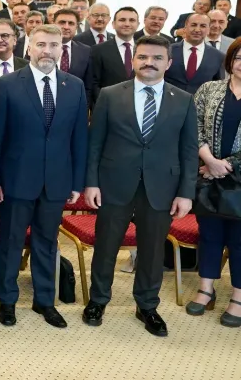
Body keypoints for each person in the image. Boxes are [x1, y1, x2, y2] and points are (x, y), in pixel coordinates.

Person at [82, 35, 198, 337]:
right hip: (114, 183)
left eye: (157, 58)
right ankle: (98, 300)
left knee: (152, 250)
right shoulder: (110, 95)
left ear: (168, 63)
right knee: (106, 246)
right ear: (133, 60)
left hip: (162, 187)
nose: (149, 63)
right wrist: (91, 183)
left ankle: (147, 305)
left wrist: (186, 192)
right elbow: (95, 144)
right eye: (143, 57)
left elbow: (188, 150)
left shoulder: (184, 99)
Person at [0, 24, 88, 328]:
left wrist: (77, 182)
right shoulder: (7, 85)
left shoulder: (75, 86)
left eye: (54, 45)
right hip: (15, 179)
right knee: (10, 241)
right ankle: (7, 300)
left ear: (61, 49)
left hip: (57, 181)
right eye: (41, 44)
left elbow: (79, 138)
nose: (47, 51)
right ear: (29, 48)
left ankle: (45, 300)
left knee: (47, 242)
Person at [188, 40, 241, 327]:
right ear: (230, 60)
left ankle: (238, 297)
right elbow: (193, 126)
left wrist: (226, 165)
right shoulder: (209, 89)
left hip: (237, 177)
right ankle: (206, 289)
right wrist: (209, 160)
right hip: (208, 176)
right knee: (209, 234)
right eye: (238, 57)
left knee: (239, 240)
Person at [89, 6, 140, 105]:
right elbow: (94, 83)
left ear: (138, 24)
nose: (127, 24)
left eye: (132, 20)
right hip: (107, 105)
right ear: (113, 24)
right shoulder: (98, 50)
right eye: (122, 20)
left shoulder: (145, 50)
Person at [166, 13, 225, 94]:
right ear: (185, 28)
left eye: (203, 26)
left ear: (208, 30)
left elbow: (218, 87)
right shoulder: (168, 50)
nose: (197, 30)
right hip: (169, 99)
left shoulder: (218, 56)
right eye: (193, 25)